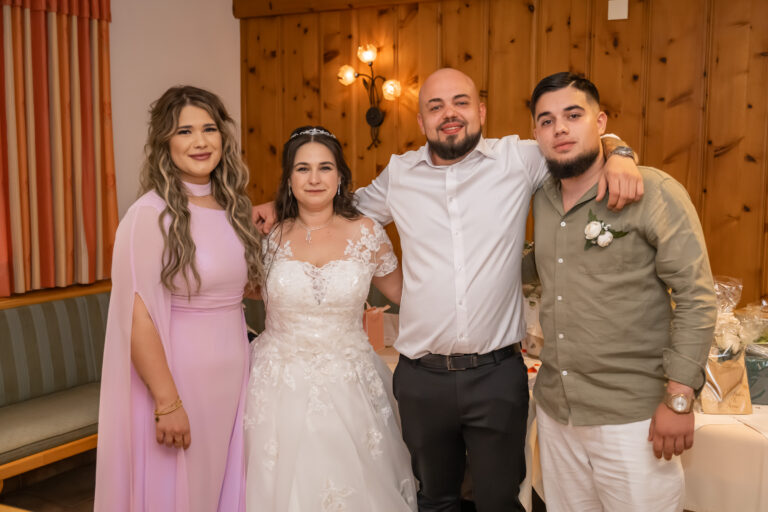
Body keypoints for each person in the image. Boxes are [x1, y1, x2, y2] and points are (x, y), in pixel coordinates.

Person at [252, 67, 642, 511]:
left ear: (481, 111)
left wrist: (619, 153)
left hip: (496, 374)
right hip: (422, 379)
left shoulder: (519, 159)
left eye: (460, 102)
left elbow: (576, 141)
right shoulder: (399, 174)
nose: (449, 114)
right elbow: (332, 206)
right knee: (433, 501)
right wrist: (279, 206)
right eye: (435, 107)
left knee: (499, 501)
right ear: (421, 121)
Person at [529, 72, 717, 512]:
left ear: (600, 122)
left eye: (573, 115)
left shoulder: (653, 191)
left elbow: (696, 297)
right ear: (535, 133)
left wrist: (679, 398)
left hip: (633, 418)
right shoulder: (540, 197)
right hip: (557, 413)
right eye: (546, 120)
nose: (560, 129)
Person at [94, 86, 263, 512]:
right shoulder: (148, 215)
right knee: (183, 494)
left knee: (221, 488)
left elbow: (235, 287)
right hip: (180, 380)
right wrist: (167, 403)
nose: (200, 141)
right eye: (185, 131)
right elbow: (137, 317)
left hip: (234, 377)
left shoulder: (234, 208)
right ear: (164, 142)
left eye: (209, 129)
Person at [244, 126, 417, 511]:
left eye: (325, 167)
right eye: (302, 168)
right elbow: (238, 289)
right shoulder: (267, 235)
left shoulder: (367, 233)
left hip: (350, 382)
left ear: (340, 176)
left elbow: (408, 296)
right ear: (289, 179)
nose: (314, 178)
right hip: (276, 383)